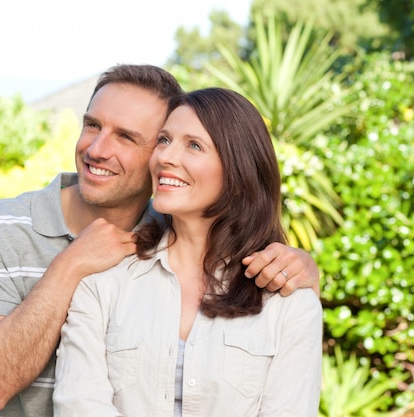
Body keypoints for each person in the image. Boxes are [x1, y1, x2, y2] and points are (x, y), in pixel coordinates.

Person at [0, 65, 320, 417]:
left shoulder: (170, 229)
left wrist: (302, 276)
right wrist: (71, 264)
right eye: (92, 125)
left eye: (127, 137)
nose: (96, 149)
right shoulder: (4, 227)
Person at [53, 87, 323, 417]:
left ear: (239, 170)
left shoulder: (290, 304)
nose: (165, 157)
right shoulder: (103, 281)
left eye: (194, 145)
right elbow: (78, 406)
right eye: (164, 140)